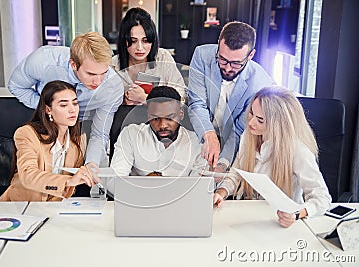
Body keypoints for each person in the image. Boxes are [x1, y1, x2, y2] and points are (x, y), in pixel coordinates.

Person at [213, 86, 332, 228]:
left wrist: (296, 214)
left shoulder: (297, 150)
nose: (251, 122)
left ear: (278, 124)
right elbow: (236, 174)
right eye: (251, 113)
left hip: (280, 222)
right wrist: (221, 192)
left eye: (260, 120)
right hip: (249, 216)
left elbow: (322, 197)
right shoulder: (249, 135)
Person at [7, 32, 124, 167]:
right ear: (73, 64)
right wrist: (49, 109)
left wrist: (91, 164)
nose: (98, 81)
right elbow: (16, 86)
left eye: (103, 73)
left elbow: (99, 134)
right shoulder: (43, 61)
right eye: (90, 74)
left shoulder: (112, 87)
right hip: (44, 126)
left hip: (81, 132)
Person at [188, 21, 274, 170]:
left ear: (251, 55)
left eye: (235, 63)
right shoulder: (202, 56)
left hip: (235, 144)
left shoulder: (260, 84)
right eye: (222, 59)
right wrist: (208, 134)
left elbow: (240, 129)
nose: (227, 68)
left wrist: (223, 164)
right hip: (199, 134)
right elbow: (197, 103)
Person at [0, 81, 101, 201]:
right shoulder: (27, 134)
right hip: (23, 207)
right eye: (63, 105)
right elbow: (28, 175)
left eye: (75, 103)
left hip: (55, 210)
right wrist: (68, 181)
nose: (72, 110)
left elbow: (68, 190)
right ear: (48, 110)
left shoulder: (78, 141)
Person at [110, 86, 206, 178]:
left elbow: (199, 186)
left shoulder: (197, 143)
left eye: (169, 118)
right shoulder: (131, 135)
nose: (162, 125)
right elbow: (116, 179)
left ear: (181, 114)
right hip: (139, 194)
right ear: (148, 115)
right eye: (155, 118)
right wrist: (144, 184)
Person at [113, 7, 186, 105]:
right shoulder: (113, 65)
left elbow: (180, 99)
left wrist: (145, 98)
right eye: (133, 41)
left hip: (159, 118)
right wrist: (122, 100)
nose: (140, 48)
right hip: (124, 118)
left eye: (145, 41)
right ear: (124, 41)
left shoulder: (163, 58)